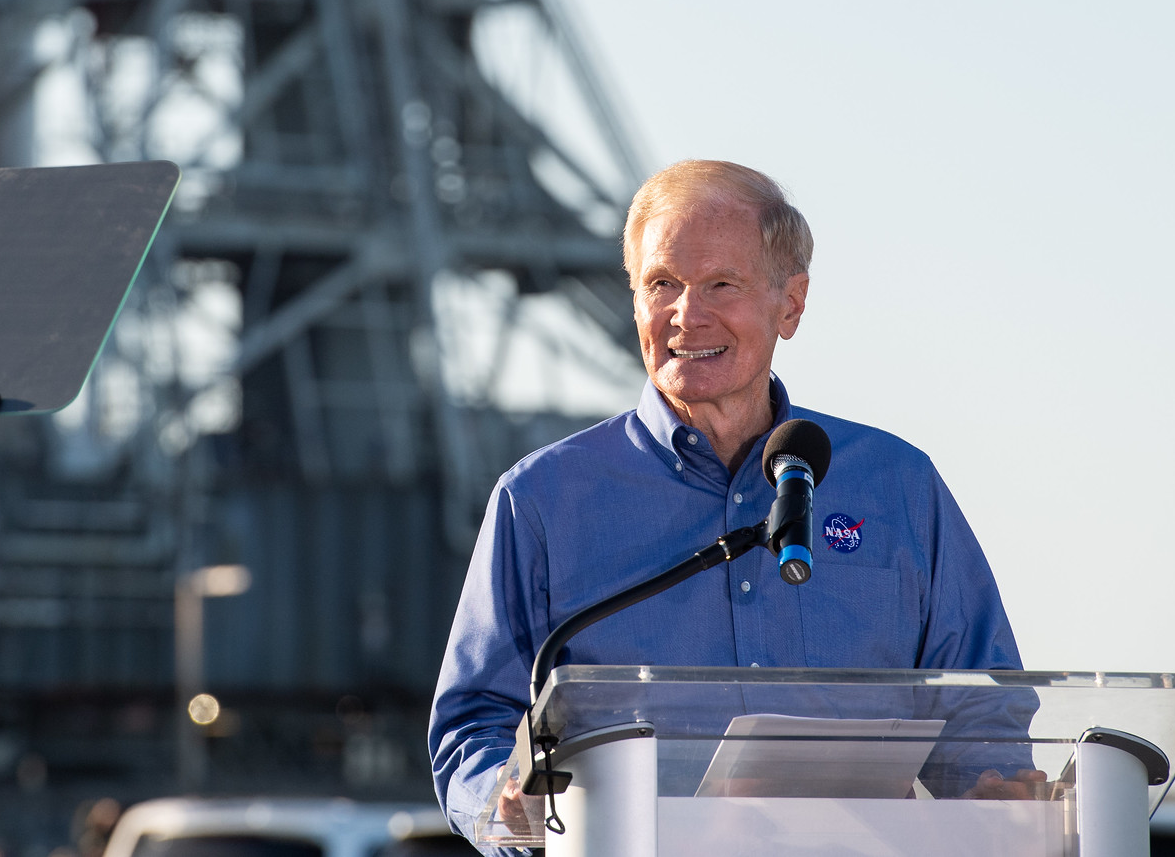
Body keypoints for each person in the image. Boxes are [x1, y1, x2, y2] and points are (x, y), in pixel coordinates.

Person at [428, 159, 1035, 840]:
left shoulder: (897, 486)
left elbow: (981, 701)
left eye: (722, 283)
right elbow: (473, 722)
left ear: (791, 303)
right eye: (662, 284)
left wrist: (993, 785)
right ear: (635, 300)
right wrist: (505, 801)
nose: (688, 312)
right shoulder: (540, 500)